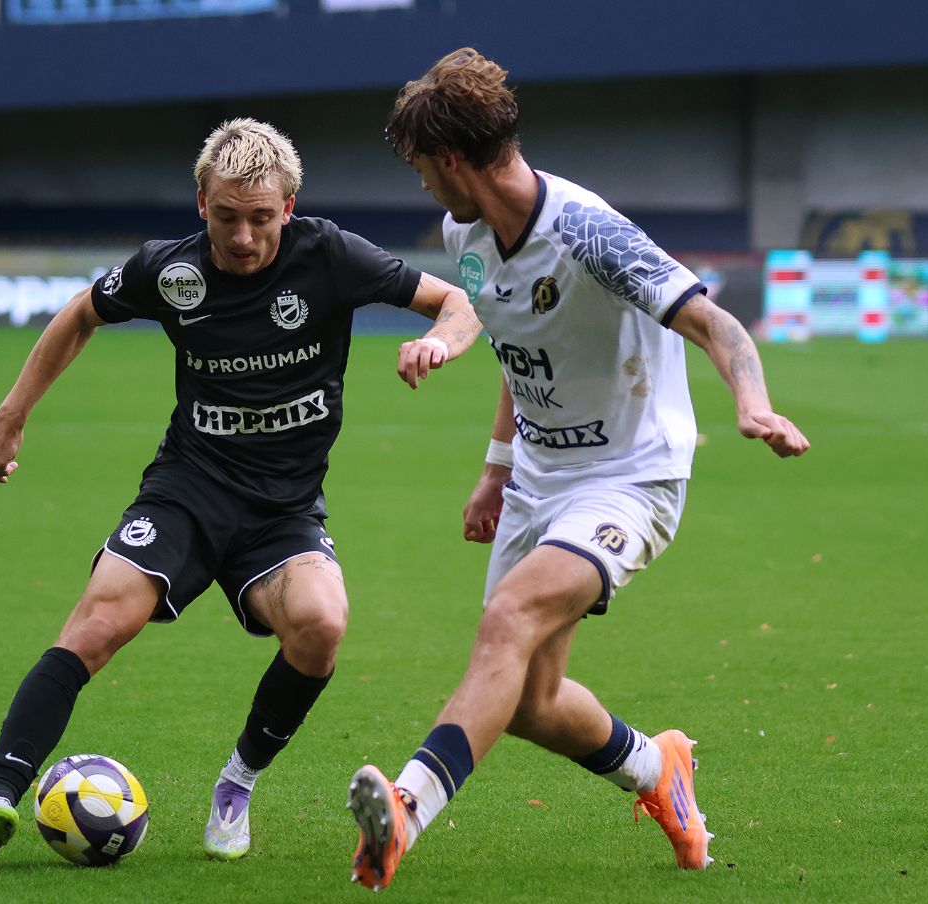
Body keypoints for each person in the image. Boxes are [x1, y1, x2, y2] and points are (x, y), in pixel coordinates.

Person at [0, 117, 481, 869]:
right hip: (188, 493)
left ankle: (237, 784)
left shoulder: (330, 256)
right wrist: (11, 416)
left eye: (261, 218)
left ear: (288, 207)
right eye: (226, 216)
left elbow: (460, 302)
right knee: (99, 622)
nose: (242, 237)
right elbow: (80, 313)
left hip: (282, 512)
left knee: (322, 624)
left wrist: (438, 342)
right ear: (202, 203)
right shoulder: (169, 270)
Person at [346, 49, 810, 891]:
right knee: (530, 701)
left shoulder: (590, 234)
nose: (423, 186)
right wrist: (496, 467)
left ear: (451, 160)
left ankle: (406, 810)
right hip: (536, 480)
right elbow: (517, 346)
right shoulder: (466, 234)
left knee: (508, 620)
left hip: (628, 479)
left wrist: (753, 404)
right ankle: (658, 770)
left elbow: (717, 325)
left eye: (421, 168)